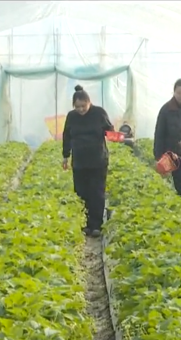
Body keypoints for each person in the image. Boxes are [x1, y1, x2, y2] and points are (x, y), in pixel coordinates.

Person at [62, 84, 114, 238]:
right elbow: (67, 137)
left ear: (89, 102)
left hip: (98, 160)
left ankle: (96, 225)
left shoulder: (99, 113)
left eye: (83, 106)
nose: (81, 110)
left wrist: (116, 135)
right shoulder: (71, 117)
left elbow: (109, 130)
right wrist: (65, 156)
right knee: (81, 192)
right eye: (77, 107)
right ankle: (84, 224)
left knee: (97, 192)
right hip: (79, 161)